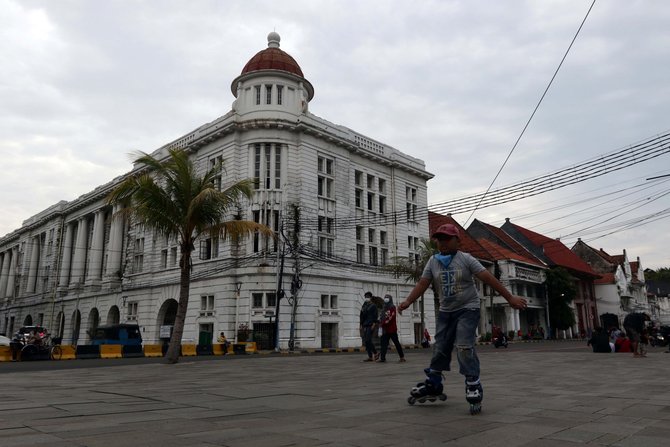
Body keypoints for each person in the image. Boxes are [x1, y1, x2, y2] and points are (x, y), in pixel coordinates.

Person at [398, 223, 527, 412]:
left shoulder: (466, 259)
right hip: (446, 311)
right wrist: (408, 301)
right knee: (440, 346)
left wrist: (510, 297)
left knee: (464, 346)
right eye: (439, 240)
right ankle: (434, 382)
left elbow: (488, 278)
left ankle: (473, 383)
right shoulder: (433, 261)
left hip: (468, 308)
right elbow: (423, 283)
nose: (442, 243)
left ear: (457, 240)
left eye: (447, 239)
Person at [379, 294, 406, 363]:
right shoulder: (384, 308)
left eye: (387, 298)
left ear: (390, 299)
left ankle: (402, 357)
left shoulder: (392, 307)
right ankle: (382, 358)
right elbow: (381, 317)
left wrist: (383, 323)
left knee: (396, 343)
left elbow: (391, 317)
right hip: (385, 330)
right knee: (383, 344)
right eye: (385, 297)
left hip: (392, 329)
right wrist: (380, 323)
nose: (386, 299)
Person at [360, 291, 379, 362]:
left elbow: (375, 315)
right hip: (365, 324)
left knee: (368, 340)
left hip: (371, 324)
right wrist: (361, 324)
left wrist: (374, 324)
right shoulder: (364, 305)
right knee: (366, 341)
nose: (366, 298)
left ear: (370, 298)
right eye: (365, 297)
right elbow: (362, 315)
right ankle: (370, 356)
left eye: (368, 297)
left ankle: (375, 352)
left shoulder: (373, 306)